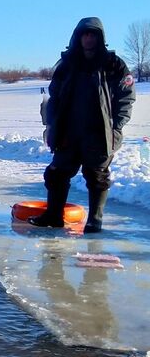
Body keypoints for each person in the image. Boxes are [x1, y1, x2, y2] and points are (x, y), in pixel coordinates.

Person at [28, 17, 135, 233]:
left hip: (100, 131)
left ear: (99, 37)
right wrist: (51, 124)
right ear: (78, 37)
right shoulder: (67, 64)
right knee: (56, 173)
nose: (88, 38)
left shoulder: (114, 64)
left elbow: (126, 96)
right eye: (85, 34)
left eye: (92, 34)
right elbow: (54, 96)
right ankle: (53, 216)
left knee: (97, 175)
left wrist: (117, 126)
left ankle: (95, 220)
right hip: (69, 130)